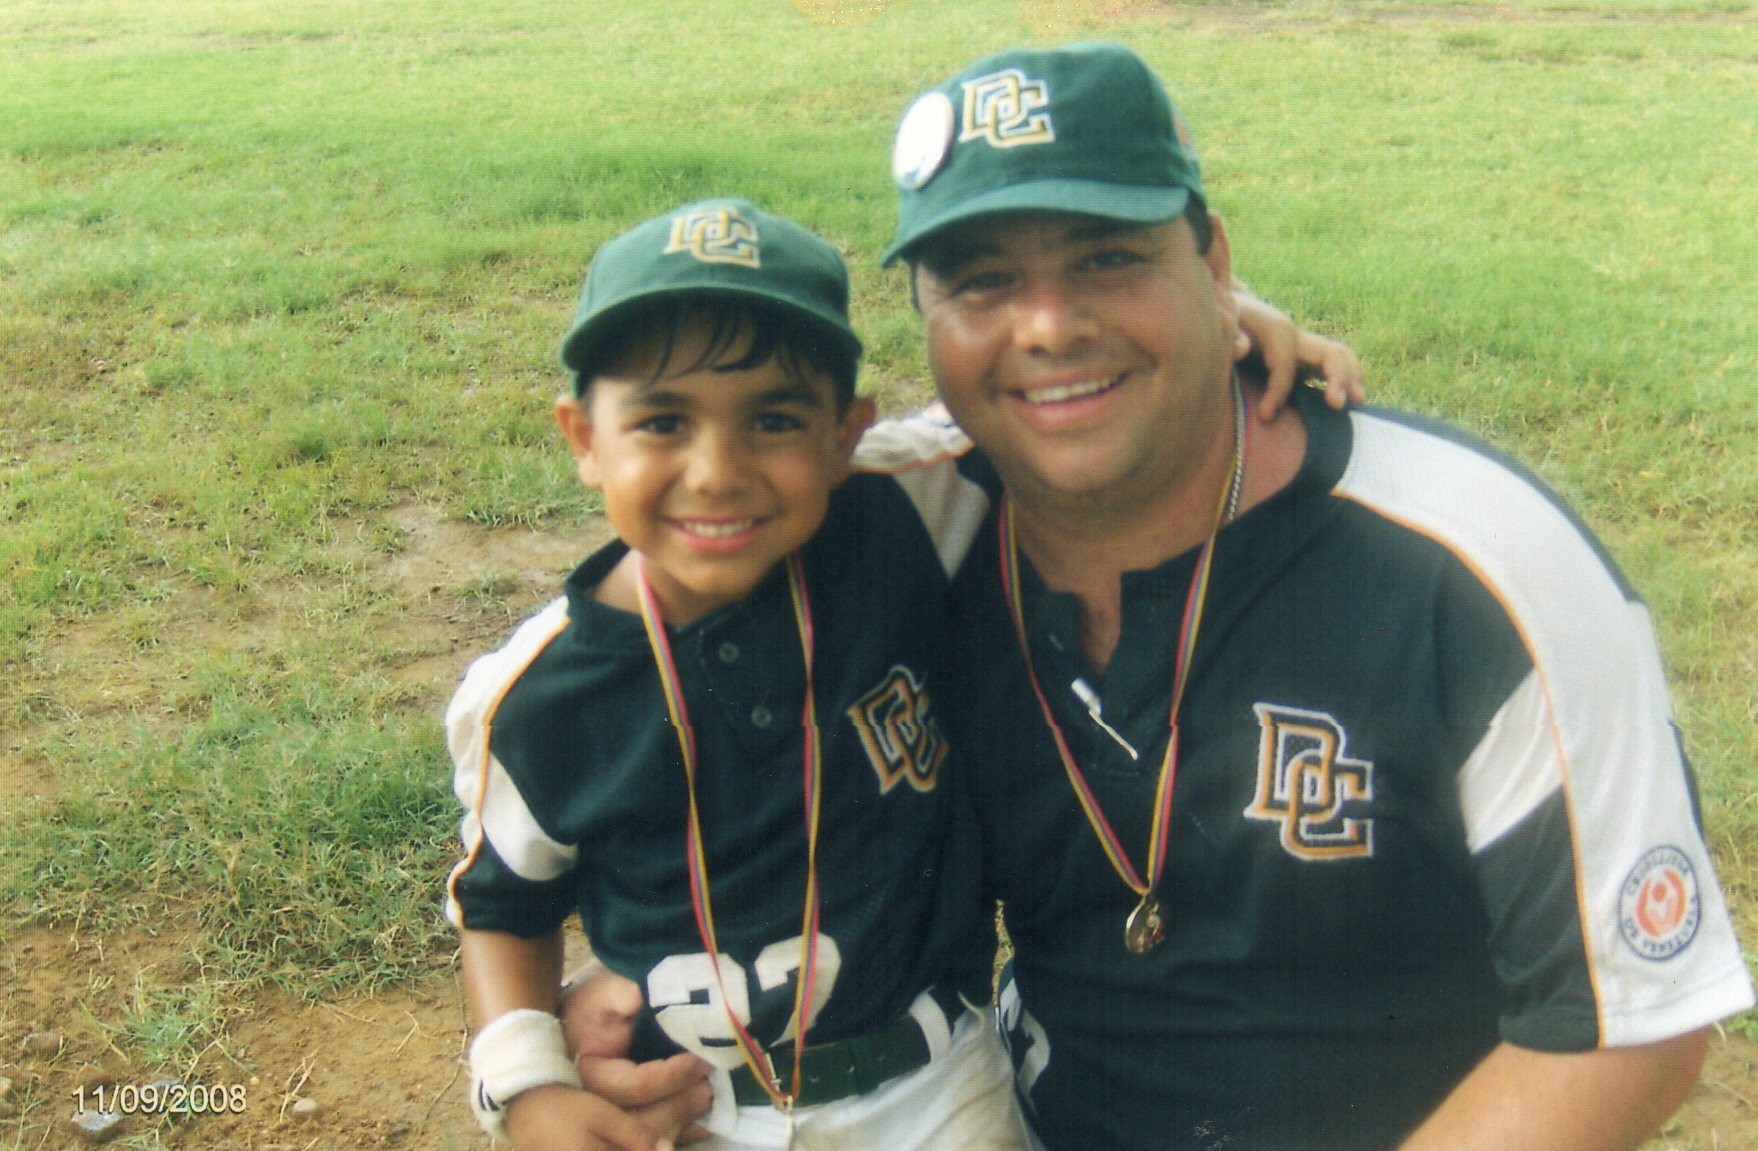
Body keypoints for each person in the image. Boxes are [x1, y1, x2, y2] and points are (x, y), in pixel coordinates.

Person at [564, 41, 1755, 1151]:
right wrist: (574, 1023)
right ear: (924, 320)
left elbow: (1631, 1025)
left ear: (1218, 267)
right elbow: (608, 656)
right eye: (983, 282)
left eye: (1110, 258)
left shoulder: (1474, 563)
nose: (1046, 326)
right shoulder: (906, 520)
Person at [444, 199, 1036, 1151]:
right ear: (584, 438)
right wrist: (524, 1084)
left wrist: (1228, 319)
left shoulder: (907, 514)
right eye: (663, 419)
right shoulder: (536, 698)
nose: (716, 471)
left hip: (939, 1089)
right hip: (690, 1110)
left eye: (772, 418)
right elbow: (504, 903)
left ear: (844, 435)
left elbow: (1055, 410)